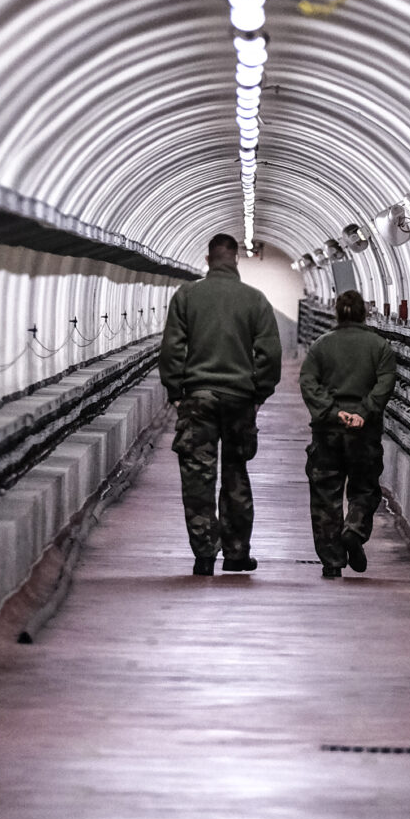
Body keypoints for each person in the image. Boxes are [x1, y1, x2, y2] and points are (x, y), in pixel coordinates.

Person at [159, 232, 283, 577]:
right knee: (235, 474)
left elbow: (172, 349)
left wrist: (176, 391)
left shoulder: (186, 296)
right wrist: (259, 392)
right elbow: (270, 354)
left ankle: (203, 555)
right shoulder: (255, 300)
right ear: (236, 259)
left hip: (197, 398)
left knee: (198, 477)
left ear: (208, 258)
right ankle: (236, 553)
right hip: (240, 399)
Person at [300, 288, 397, 579]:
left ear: (336, 312)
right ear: (363, 313)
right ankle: (354, 529)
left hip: (328, 430)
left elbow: (308, 381)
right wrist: (363, 412)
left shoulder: (321, 345)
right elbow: (385, 383)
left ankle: (332, 560)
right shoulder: (380, 347)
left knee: (325, 494)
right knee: (364, 488)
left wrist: (332, 412)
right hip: (363, 432)